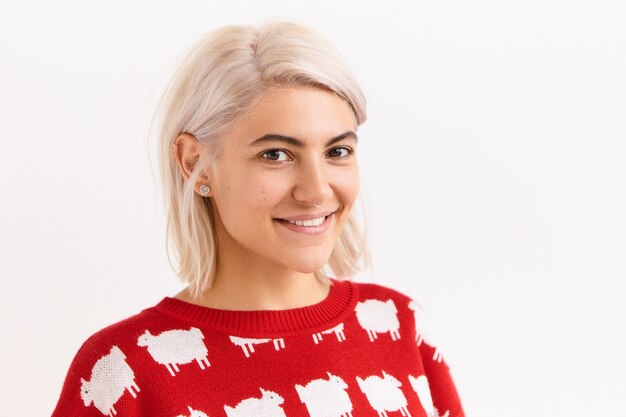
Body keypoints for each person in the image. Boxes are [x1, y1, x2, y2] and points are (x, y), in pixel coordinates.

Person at [51, 21, 465, 417]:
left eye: (337, 151)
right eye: (276, 155)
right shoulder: (124, 370)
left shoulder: (396, 324)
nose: (317, 190)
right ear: (196, 163)